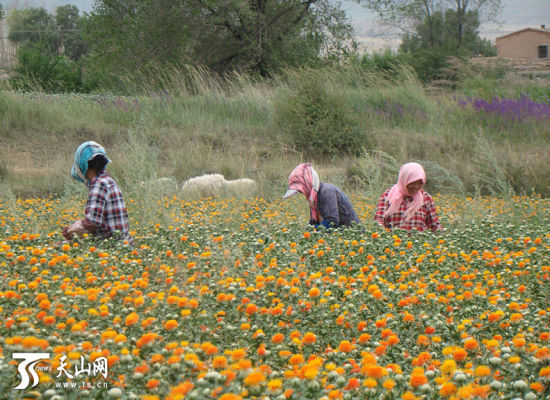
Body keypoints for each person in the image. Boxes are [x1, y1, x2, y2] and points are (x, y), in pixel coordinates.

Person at [62, 141, 131, 242]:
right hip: (122, 243)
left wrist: (70, 232)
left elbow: (92, 222)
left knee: (60, 248)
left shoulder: (99, 184)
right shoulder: (107, 180)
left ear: (82, 164)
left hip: (111, 246)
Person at [283, 163, 360, 229]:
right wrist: (306, 234)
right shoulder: (314, 198)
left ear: (307, 183)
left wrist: (313, 232)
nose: (300, 192)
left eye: (300, 189)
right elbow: (314, 222)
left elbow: (332, 221)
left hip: (353, 235)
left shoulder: (327, 191)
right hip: (339, 236)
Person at [374, 162, 441, 233]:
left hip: (419, 243)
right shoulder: (387, 196)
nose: (416, 187)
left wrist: (441, 239)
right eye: (412, 183)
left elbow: (435, 225)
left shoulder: (426, 198)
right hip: (393, 242)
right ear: (404, 179)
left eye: (420, 183)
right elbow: (379, 221)